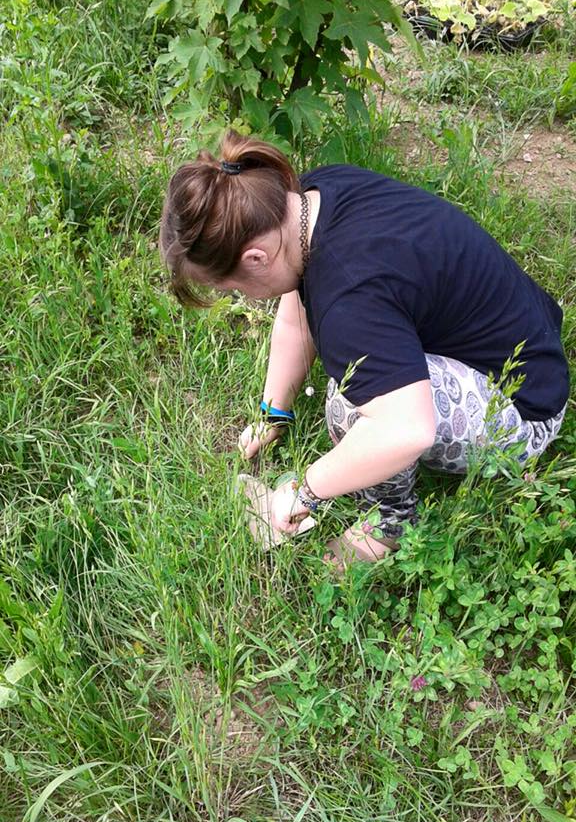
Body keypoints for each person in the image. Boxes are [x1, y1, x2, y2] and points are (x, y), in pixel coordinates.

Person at [159, 130, 569, 567]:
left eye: (233, 287)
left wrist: (306, 490)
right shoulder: (310, 199)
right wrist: (273, 413)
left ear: (257, 258)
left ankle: (392, 523)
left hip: (521, 412)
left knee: (350, 407)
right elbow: (297, 309)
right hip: (528, 349)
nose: (244, 296)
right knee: (363, 384)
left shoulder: (348, 301)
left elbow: (405, 430)